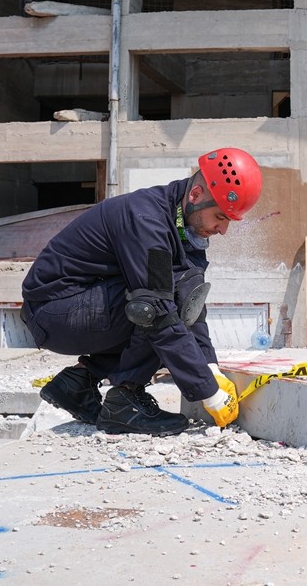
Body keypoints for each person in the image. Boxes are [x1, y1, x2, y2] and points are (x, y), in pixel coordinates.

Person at [21, 148, 262, 436]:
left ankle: (77, 385)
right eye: (220, 217)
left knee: (168, 300)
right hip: (55, 310)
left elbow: (191, 302)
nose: (222, 230)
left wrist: (210, 365)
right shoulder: (147, 219)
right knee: (153, 307)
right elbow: (159, 310)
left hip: (76, 307)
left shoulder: (184, 227)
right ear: (196, 195)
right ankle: (125, 402)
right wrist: (207, 390)